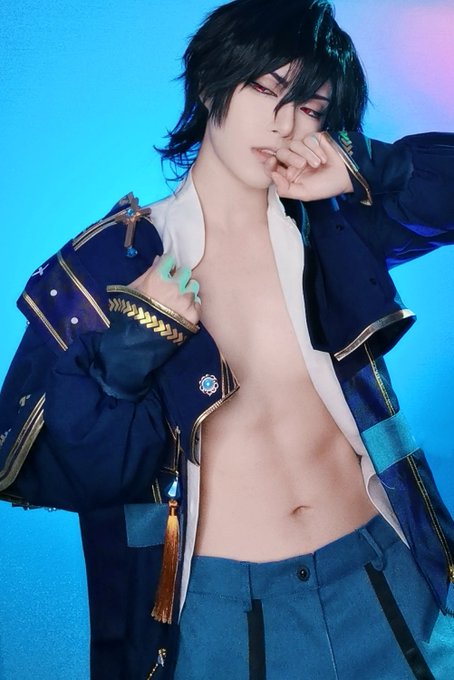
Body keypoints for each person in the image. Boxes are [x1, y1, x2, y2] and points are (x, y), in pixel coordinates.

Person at [1, 0, 453, 677]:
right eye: (267, 89)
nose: (283, 124)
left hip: (384, 573)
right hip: (224, 615)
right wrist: (131, 348)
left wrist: (364, 164)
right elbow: (87, 476)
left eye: (311, 108)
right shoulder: (108, 266)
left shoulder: (330, 227)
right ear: (212, 86)